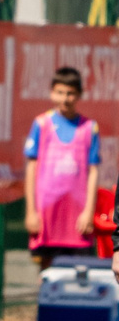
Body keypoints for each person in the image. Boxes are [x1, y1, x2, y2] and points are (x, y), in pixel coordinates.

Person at [24, 66, 100, 264]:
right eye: (60, 92)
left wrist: (89, 212)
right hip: (46, 215)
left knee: (77, 273)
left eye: (70, 93)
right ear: (51, 92)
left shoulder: (89, 128)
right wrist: (31, 212)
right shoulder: (41, 124)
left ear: (79, 95)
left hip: (77, 218)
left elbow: (93, 171)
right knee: (47, 274)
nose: (65, 98)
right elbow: (31, 168)